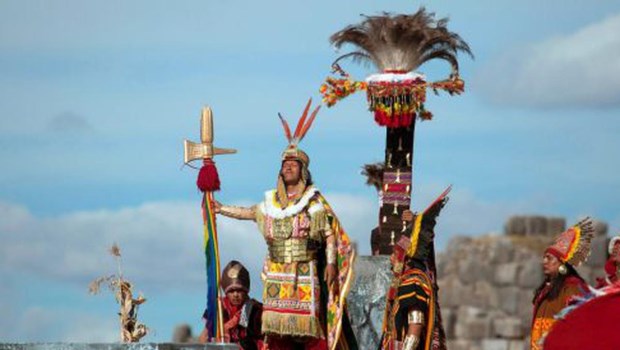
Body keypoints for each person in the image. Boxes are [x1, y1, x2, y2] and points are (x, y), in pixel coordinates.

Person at [215, 99, 357, 350]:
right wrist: (220, 208)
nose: (288, 167)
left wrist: (333, 263)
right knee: (278, 335)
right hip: (277, 272)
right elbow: (248, 213)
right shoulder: (270, 203)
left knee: (310, 333)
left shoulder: (312, 201)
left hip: (303, 271)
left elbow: (328, 234)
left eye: (293, 164)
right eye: (285, 164)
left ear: (302, 171)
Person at [380, 187, 450, 350]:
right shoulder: (407, 280)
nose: (392, 258)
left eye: (395, 254)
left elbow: (416, 324)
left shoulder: (412, 281)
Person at [530, 218, 594, 350]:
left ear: (561, 263)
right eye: (544, 257)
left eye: (549, 258)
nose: (544, 262)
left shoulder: (573, 289)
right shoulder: (546, 290)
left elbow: (579, 327)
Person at [199, 260, 263, 350]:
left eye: (239, 290)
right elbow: (204, 337)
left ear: (246, 291)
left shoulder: (255, 309)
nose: (235, 294)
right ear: (226, 292)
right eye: (231, 291)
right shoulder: (218, 306)